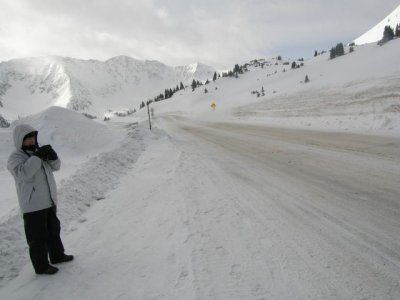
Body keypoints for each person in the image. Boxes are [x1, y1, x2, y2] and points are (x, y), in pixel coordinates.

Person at [7, 124, 73, 275]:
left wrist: (54, 157)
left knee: (53, 231)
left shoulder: (39, 150)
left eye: (32, 137)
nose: (31, 141)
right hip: (33, 205)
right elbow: (22, 174)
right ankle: (41, 266)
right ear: (20, 140)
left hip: (49, 200)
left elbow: (56, 167)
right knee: (38, 238)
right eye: (27, 139)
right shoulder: (15, 158)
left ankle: (57, 255)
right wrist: (37, 157)